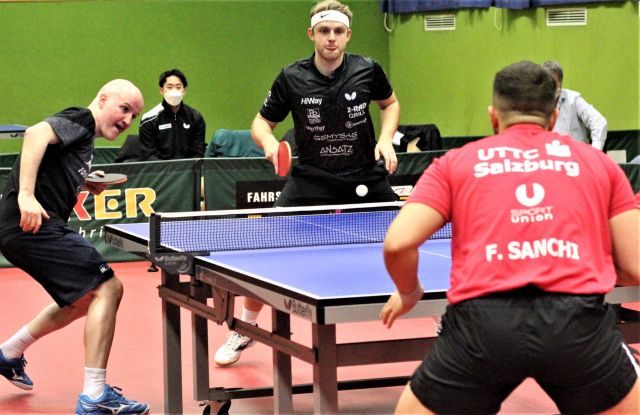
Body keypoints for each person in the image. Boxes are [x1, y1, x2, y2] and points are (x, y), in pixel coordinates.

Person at [380, 61, 639, 414]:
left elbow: (398, 243)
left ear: (493, 117)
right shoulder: (600, 165)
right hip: (576, 325)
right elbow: (635, 266)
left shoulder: (455, 163)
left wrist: (409, 292)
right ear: (553, 118)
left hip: (482, 327)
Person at [214, 0, 401, 367]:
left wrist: (385, 139)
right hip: (311, 178)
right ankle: (245, 328)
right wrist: (270, 145)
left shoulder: (367, 69)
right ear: (311, 34)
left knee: (411, 237)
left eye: (338, 31)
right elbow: (261, 123)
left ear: (348, 35)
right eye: (324, 31)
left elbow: (390, 104)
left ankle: (445, 320)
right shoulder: (291, 77)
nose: (331, 38)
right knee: (266, 247)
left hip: (364, 175)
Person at [0, 80, 150, 415]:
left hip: (22, 230)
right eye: (124, 109)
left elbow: (52, 163)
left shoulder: (83, 140)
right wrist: (26, 196)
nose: (128, 120)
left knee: (84, 298)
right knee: (109, 288)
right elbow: (36, 134)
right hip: (33, 224)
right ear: (103, 99)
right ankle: (95, 395)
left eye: (134, 116)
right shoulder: (81, 119)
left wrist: (83, 181)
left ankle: (9, 353)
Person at [137, 68, 206, 161]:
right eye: (169, 87)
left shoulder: (196, 117)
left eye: (178, 87)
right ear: (161, 90)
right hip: (160, 169)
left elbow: (198, 152)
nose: (174, 91)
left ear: (184, 91)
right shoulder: (148, 119)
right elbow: (148, 156)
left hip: (188, 168)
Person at [542, 60, 608, 151]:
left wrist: (595, 152)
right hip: (549, 156)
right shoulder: (537, 103)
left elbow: (599, 122)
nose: (549, 87)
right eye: (546, 83)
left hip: (577, 155)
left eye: (553, 83)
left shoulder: (573, 99)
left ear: (560, 82)